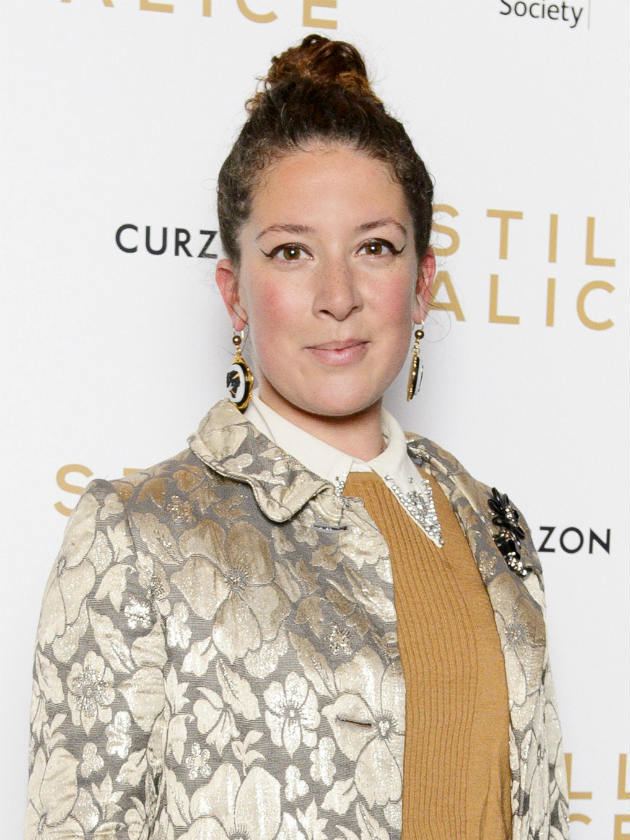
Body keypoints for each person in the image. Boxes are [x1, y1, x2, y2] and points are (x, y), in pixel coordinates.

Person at [24, 34, 570, 840]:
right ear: (234, 293)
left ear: (421, 284)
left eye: (375, 248)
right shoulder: (138, 534)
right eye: (291, 253)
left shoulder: (494, 525)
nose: (338, 294)